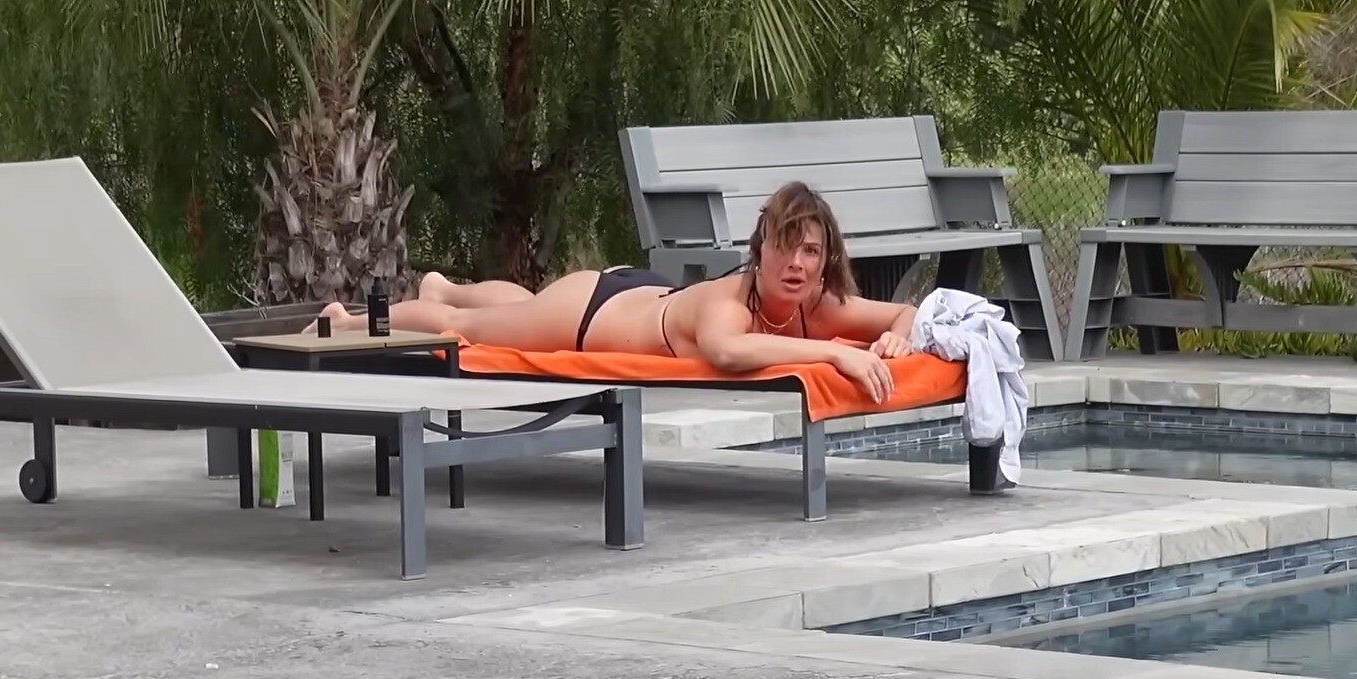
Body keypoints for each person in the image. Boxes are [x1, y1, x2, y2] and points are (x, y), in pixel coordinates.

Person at [315, 182, 919, 403]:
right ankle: (351, 320)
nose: (796, 264)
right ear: (759, 250)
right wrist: (836, 353)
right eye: (785, 247)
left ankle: (445, 285)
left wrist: (896, 336)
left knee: (519, 303)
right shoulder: (728, 301)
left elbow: (905, 311)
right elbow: (728, 351)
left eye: (810, 251)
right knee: (467, 329)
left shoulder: (817, 303)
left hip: (645, 297)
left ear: (825, 259)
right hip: (589, 314)